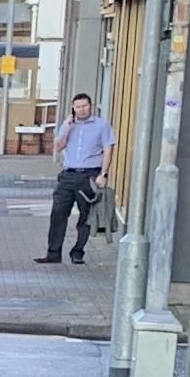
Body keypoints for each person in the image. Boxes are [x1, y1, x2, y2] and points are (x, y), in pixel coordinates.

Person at [42, 92, 111, 262]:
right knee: (58, 213)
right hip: (68, 174)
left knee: (86, 215)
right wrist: (67, 128)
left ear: (91, 106)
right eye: (78, 107)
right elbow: (57, 148)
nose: (81, 110)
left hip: (89, 175)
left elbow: (108, 149)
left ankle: (77, 252)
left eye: (84, 106)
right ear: (73, 108)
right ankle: (53, 253)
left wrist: (103, 174)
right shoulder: (67, 125)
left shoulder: (102, 125)